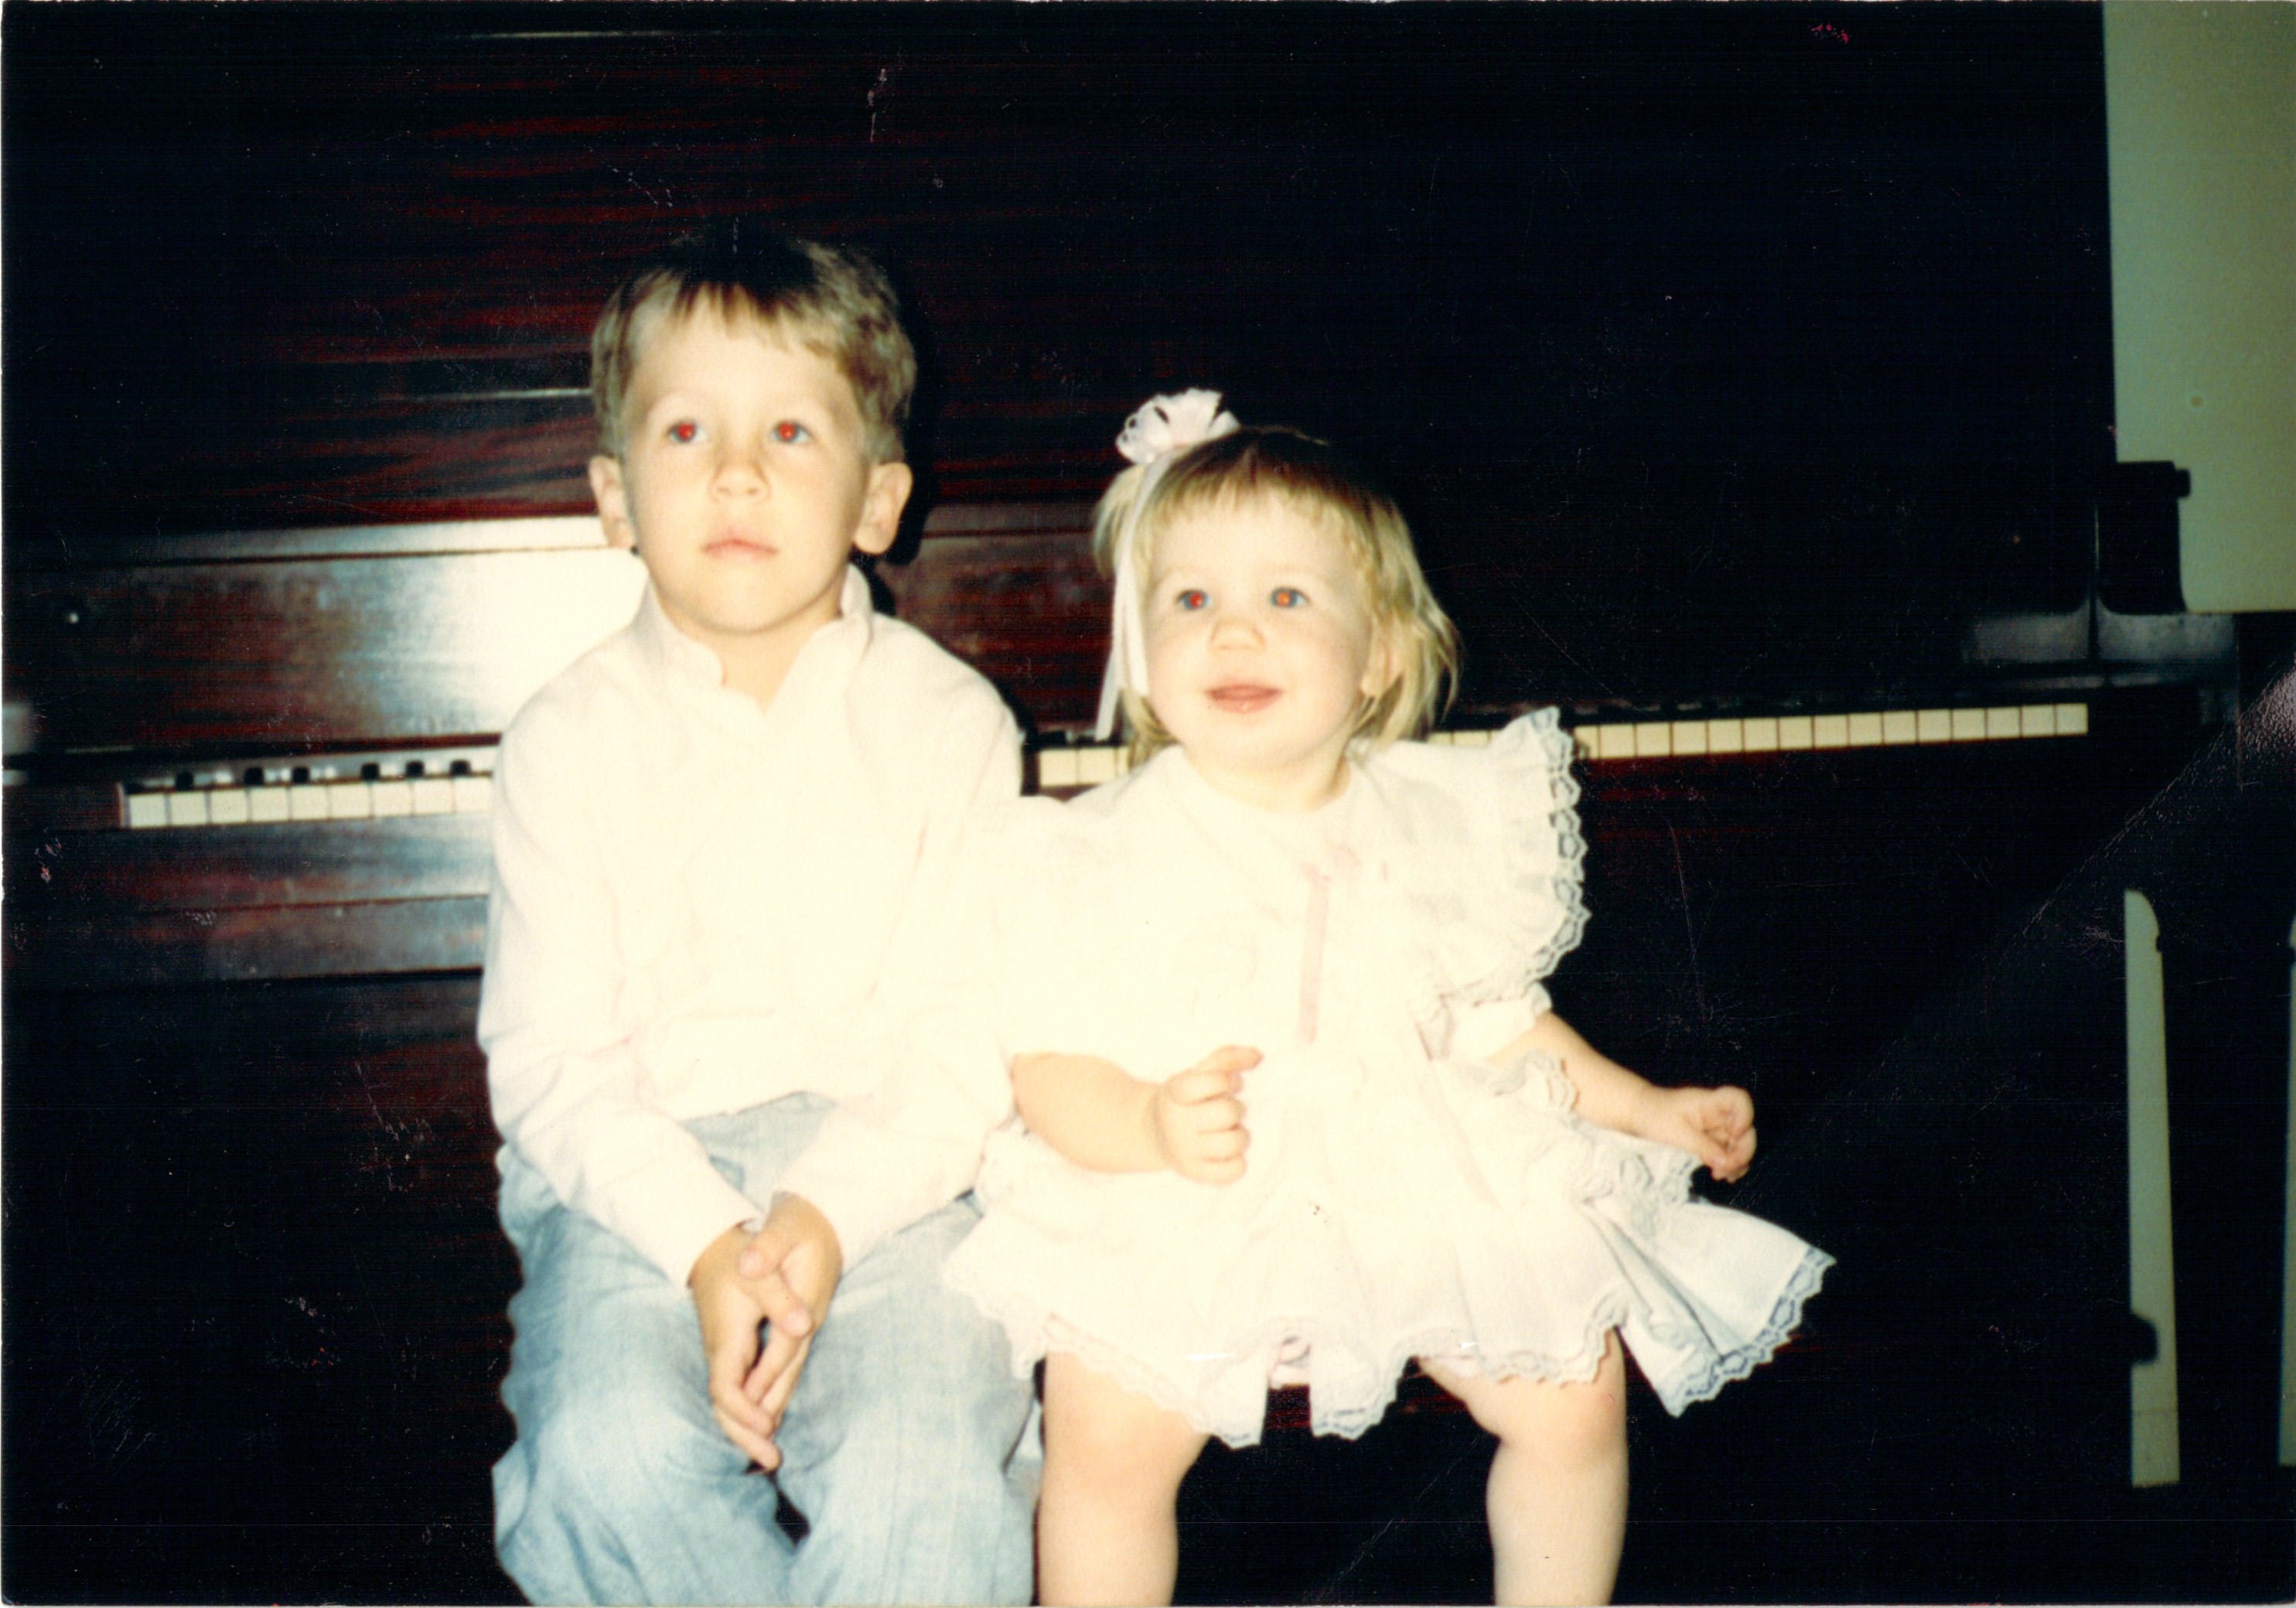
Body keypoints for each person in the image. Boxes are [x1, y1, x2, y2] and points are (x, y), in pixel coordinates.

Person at [774, 391, 1833, 1606]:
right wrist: (1147, 1123)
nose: (1233, 633)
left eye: (1286, 598)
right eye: (1190, 601)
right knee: (1106, 1438)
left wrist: (1644, 1108)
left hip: (1408, 1174)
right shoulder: (1096, 850)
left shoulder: (1426, 821)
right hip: (1181, 1192)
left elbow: (1494, 1021)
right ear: (1140, 651)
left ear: (1377, 654)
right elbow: (1047, 1067)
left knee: (1574, 1392)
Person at [477, 221, 1036, 1606]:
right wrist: (703, 1244)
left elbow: (966, 1037)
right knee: (602, 1461)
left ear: (876, 501)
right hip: (633, 1190)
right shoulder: (565, 737)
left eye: (790, 430)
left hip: (897, 1184)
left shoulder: (950, 723)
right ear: (614, 498)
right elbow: (551, 1062)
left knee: (923, 1466)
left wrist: (825, 1218)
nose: (736, 471)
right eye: (686, 432)